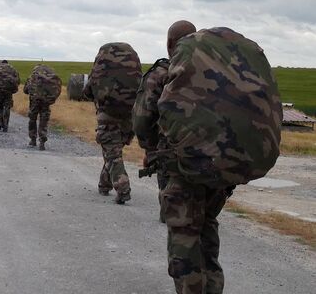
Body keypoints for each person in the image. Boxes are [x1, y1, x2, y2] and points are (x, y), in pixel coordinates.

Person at [155, 21, 282, 294]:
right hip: (225, 165)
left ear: (169, 44)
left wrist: (149, 148)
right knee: (207, 224)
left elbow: (151, 116)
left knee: (184, 233)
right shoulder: (217, 64)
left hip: (186, 166)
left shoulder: (175, 67)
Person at [83, 42, 142, 205]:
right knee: (113, 151)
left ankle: (123, 188)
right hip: (129, 115)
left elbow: (87, 92)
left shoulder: (101, 69)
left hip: (107, 115)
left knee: (112, 154)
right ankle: (104, 184)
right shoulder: (133, 68)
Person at [133, 57, 170, 222]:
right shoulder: (212, 68)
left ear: (170, 44)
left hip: (170, 147)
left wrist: (149, 149)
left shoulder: (161, 73)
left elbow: (144, 116)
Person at [23, 64, 62, 151]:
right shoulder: (50, 79)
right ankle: (42, 142)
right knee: (43, 121)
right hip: (46, 103)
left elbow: (25, 90)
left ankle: (33, 139)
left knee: (32, 120)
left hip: (34, 103)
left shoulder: (32, 78)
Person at [0, 60, 19, 132]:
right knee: (7, 107)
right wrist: (14, 90)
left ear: (2, 63)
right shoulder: (13, 69)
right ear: (7, 63)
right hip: (8, 92)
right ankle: (6, 125)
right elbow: (17, 81)